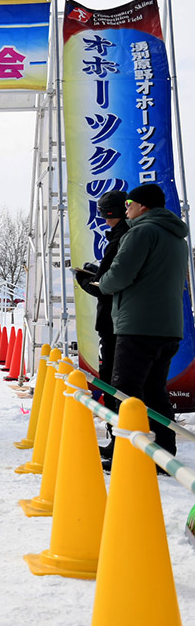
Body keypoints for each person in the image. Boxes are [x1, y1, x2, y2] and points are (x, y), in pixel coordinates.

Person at [96, 183, 188, 470]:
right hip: (169, 327)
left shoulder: (141, 232)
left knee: (126, 391)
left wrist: (102, 283)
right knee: (155, 390)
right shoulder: (177, 238)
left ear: (142, 206)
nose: (126, 209)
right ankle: (163, 451)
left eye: (129, 204)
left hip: (138, 325)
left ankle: (125, 452)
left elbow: (118, 275)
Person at [74, 190, 129, 458]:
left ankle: (120, 442)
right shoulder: (133, 237)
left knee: (115, 383)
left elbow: (108, 286)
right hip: (125, 321)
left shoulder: (123, 239)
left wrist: (85, 280)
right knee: (133, 385)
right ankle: (128, 442)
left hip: (115, 322)